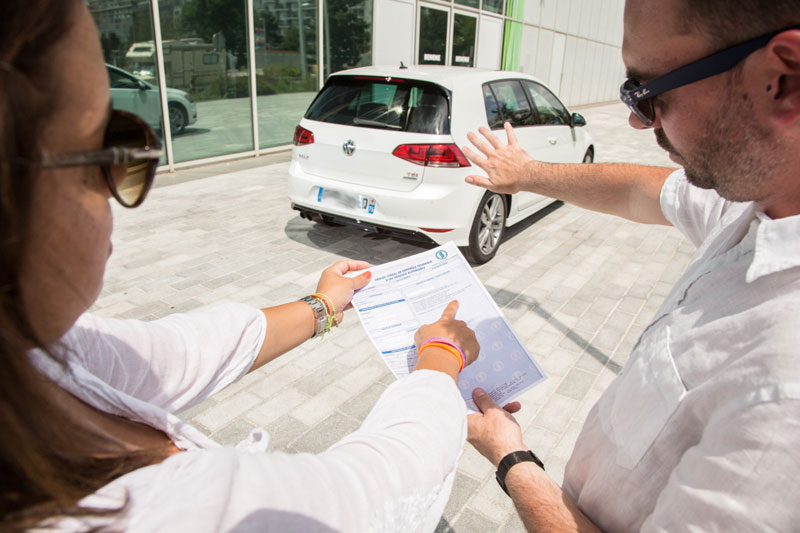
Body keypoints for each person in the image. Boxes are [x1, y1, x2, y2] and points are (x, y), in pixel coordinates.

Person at [0, 1, 481, 530]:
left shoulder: (33, 352)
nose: (126, 177)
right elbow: (369, 498)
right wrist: (440, 355)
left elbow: (175, 353)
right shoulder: (159, 513)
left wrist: (320, 306)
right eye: (106, 144)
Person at [462, 0, 800, 531]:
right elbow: (639, 190)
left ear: (781, 79)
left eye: (650, 94)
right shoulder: (761, 204)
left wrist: (512, 460)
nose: (635, 121)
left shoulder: (783, 393)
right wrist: (526, 173)